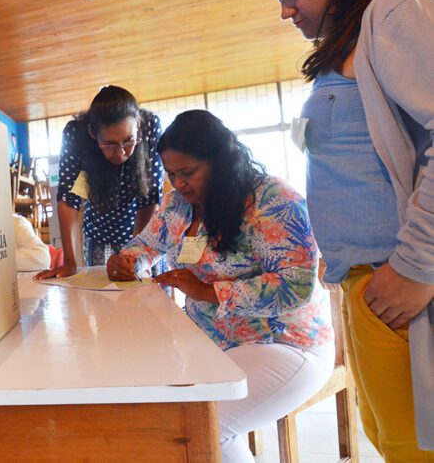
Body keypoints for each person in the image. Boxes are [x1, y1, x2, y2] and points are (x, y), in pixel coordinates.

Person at [264, 0, 433, 457]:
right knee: (394, 442)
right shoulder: (349, 40)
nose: (284, 11)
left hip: (400, 281)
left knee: (414, 447)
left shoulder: (396, 7)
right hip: (367, 282)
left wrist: (417, 264)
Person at [107, 110, 334, 463]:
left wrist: (208, 292)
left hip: (285, 342)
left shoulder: (272, 200)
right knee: (179, 419)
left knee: (197, 425)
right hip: (213, 342)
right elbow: (146, 246)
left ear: (220, 161)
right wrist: (127, 262)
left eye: (188, 172)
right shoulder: (177, 205)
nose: (178, 183)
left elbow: (296, 285)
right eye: (170, 174)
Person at [34, 85, 163, 280]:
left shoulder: (150, 126)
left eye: (128, 141)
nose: (120, 152)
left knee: (144, 289)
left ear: (137, 124)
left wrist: (136, 254)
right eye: (110, 144)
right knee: (100, 290)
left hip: (140, 226)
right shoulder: (77, 135)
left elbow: (150, 197)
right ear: (93, 133)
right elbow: (69, 199)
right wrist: (70, 261)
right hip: (97, 227)